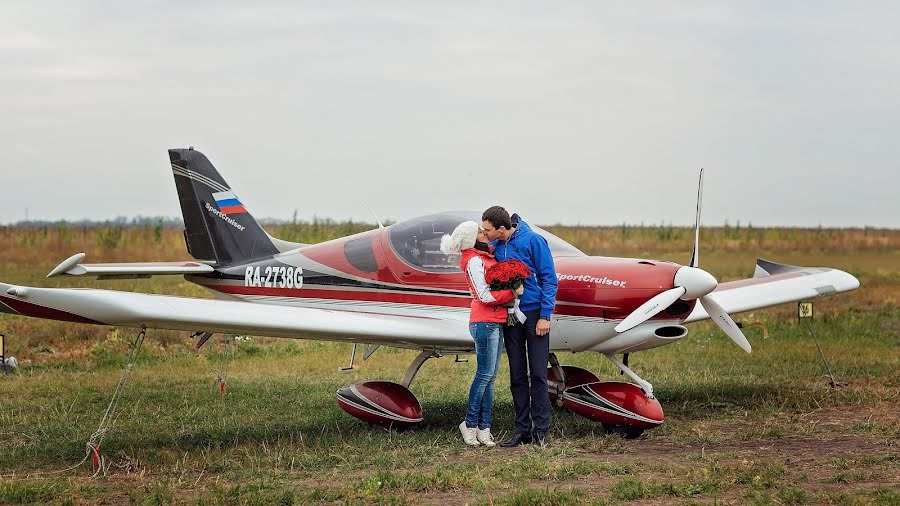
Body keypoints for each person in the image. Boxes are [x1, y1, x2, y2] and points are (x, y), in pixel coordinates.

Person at [441, 221, 524, 447]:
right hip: (484, 322)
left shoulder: (486, 257)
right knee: (484, 376)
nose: (484, 233)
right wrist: (513, 293)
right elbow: (485, 296)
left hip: (496, 321)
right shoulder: (475, 261)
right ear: (471, 238)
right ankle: (469, 424)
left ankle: (484, 427)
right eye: (479, 231)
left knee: (490, 378)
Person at [481, 206, 558, 448]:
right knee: (516, 374)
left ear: (501, 229)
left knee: (537, 373)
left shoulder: (534, 241)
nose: (485, 233)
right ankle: (522, 429)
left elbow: (549, 279)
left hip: (535, 315)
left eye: (487, 230)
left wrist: (545, 315)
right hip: (510, 316)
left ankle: (542, 431)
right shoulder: (495, 246)